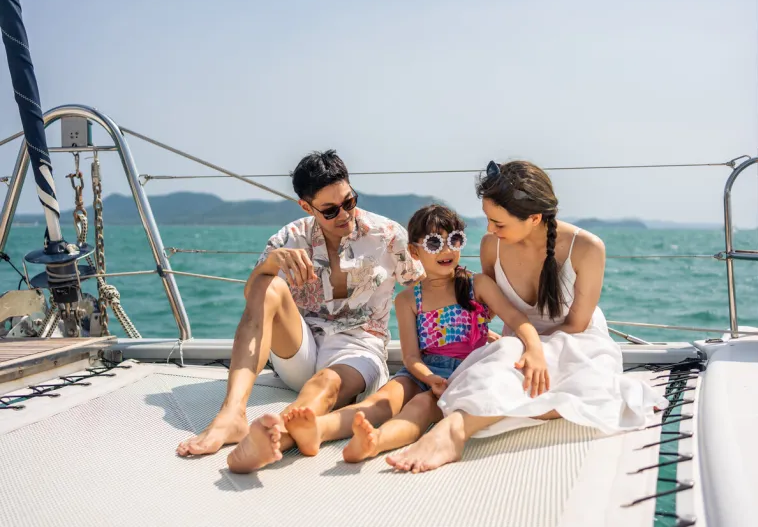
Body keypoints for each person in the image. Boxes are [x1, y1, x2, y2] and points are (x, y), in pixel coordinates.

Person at [387, 160, 669, 473]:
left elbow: (575, 325)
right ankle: (454, 427)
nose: (490, 229)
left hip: (577, 341)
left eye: (499, 223)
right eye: (488, 220)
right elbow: (489, 309)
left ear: (534, 217)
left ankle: (454, 429)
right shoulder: (491, 246)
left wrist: (531, 349)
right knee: (497, 367)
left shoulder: (587, 248)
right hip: (519, 341)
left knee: (586, 386)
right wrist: (498, 340)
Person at [174, 150, 424, 473]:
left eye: (349, 202)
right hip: (302, 346)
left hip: (359, 347)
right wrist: (271, 263)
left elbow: (426, 289)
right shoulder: (291, 237)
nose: (345, 215)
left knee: (325, 384)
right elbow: (253, 300)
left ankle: (277, 435)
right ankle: (232, 414)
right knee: (269, 286)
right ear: (306, 207)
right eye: (331, 210)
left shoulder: (387, 237)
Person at [245, 205, 547, 467]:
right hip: (423, 371)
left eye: (455, 240)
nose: (447, 250)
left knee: (419, 408)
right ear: (414, 252)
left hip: (465, 374)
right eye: (433, 242)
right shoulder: (408, 300)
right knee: (383, 399)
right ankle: (318, 430)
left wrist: (533, 347)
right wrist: (427, 377)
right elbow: (411, 356)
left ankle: (376, 441)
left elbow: (516, 319)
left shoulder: (477, 286)